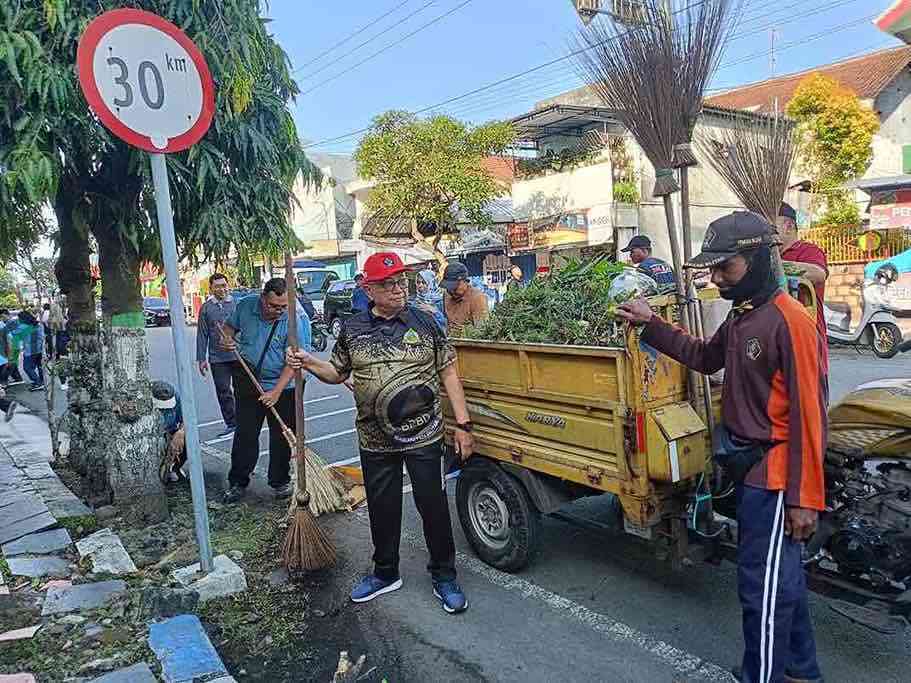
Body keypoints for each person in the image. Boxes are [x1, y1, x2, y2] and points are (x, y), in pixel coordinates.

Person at [617, 211, 826, 683]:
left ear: (755, 260)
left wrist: (803, 499)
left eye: (723, 267)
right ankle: (801, 670)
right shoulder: (743, 315)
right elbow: (705, 357)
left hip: (775, 478)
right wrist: (652, 324)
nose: (714, 277)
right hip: (750, 470)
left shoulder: (790, 322)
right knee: (781, 580)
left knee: (762, 591)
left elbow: (810, 420)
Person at [286, 252, 474, 615]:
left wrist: (463, 425)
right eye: (387, 283)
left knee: (433, 507)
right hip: (375, 440)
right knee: (383, 508)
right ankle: (386, 572)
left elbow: (449, 373)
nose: (397, 288)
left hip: (425, 436)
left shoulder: (428, 321)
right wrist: (309, 362)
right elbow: (337, 374)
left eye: (401, 281)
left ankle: (444, 575)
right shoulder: (353, 329)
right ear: (369, 289)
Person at [219, 277, 311, 504]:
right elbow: (228, 329)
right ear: (262, 298)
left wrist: (276, 393)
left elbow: (294, 363)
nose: (278, 311)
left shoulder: (294, 320)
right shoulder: (245, 307)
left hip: (284, 385)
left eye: (283, 306)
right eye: (273, 306)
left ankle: (279, 481)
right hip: (249, 378)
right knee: (246, 433)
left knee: (282, 435)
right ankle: (238, 482)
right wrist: (227, 340)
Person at [777, 203, 828, 347]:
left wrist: (776, 266)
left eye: (771, 226)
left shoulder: (809, 251)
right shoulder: (765, 254)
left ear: (788, 226)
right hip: (778, 336)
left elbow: (818, 273)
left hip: (807, 338)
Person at [196, 273, 237, 437]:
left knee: (242, 391)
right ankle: (232, 423)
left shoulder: (236, 304)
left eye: (224, 285)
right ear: (211, 288)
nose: (222, 289)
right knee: (223, 390)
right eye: (218, 286)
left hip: (238, 355)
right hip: (217, 358)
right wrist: (201, 358)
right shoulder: (206, 308)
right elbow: (202, 334)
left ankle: (245, 421)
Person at [152, 381, 187, 484]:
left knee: (190, 440)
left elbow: (187, 419)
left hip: (170, 432)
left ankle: (174, 468)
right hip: (154, 436)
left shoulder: (175, 397)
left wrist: (181, 432)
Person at [441, 262, 489, 337]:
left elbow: (481, 332)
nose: (451, 291)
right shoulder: (446, 295)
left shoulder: (477, 298)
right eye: (449, 287)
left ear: (464, 282)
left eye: (454, 287)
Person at [15, 311, 45, 392]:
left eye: (19, 318)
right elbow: (42, 337)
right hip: (39, 350)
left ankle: (38, 382)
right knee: (40, 366)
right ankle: (42, 381)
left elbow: (15, 336)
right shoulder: (38, 325)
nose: (18, 320)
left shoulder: (22, 327)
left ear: (23, 319)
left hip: (29, 351)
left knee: (27, 367)